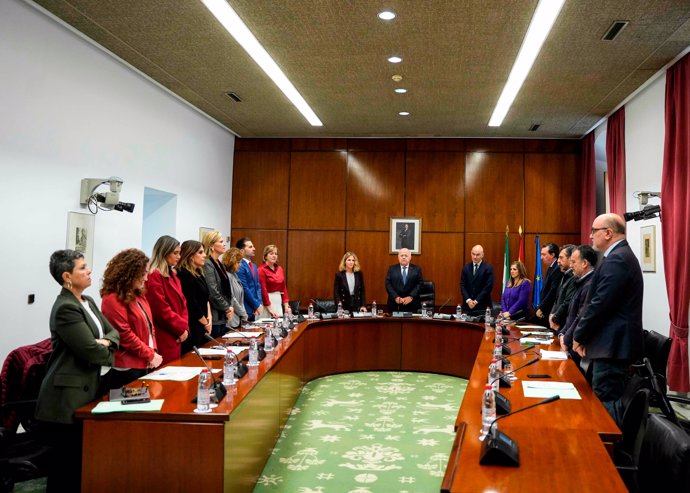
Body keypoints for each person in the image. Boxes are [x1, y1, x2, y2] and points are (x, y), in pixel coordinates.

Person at [36, 250, 120, 492]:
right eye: (82, 268)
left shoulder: (89, 301)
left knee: (83, 463)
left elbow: (114, 333)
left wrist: (105, 342)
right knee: (66, 468)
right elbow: (90, 351)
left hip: (92, 386)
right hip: (67, 397)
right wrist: (104, 346)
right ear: (67, 276)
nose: (89, 270)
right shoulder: (65, 308)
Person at [573, 214, 644, 423]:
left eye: (594, 231)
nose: (590, 235)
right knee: (603, 399)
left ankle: (610, 452)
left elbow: (599, 305)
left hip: (613, 346)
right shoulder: (617, 256)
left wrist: (579, 335)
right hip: (610, 344)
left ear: (608, 233)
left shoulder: (618, 259)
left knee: (606, 402)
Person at [100, 248, 163, 389]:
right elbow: (123, 334)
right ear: (130, 273)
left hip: (143, 361)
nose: (146, 278)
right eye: (143, 274)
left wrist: (153, 352)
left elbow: (149, 325)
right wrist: (150, 354)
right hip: (125, 368)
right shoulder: (112, 297)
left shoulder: (138, 294)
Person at [145, 235, 189, 364]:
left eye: (179, 253)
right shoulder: (154, 275)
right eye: (175, 253)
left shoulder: (173, 275)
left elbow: (183, 303)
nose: (179, 257)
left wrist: (184, 327)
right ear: (164, 252)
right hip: (165, 333)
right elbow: (160, 309)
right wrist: (180, 328)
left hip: (177, 332)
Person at [559, 245, 597, 367]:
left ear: (585, 263)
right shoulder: (580, 281)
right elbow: (571, 313)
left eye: (574, 262)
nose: (571, 266)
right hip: (570, 341)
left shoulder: (590, 284)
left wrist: (566, 339)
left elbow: (580, 316)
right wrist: (562, 333)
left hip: (578, 346)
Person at [177, 240, 213, 353]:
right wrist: (205, 322)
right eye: (201, 252)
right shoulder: (184, 274)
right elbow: (191, 303)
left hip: (203, 323)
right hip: (193, 325)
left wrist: (209, 319)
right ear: (191, 256)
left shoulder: (198, 273)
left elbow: (206, 298)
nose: (205, 255)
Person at [202, 231, 234, 338]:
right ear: (211, 245)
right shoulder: (207, 263)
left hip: (223, 315)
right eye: (221, 241)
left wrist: (229, 306)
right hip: (215, 315)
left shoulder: (219, 263)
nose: (224, 244)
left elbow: (227, 288)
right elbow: (213, 292)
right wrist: (227, 308)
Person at [531, 242, 563, 326]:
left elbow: (553, 291)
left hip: (549, 311)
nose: (541, 258)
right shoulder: (551, 267)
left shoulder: (557, 269)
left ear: (552, 255)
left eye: (544, 254)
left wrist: (542, 308)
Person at [385, 248, 424, 313]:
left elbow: (420, 284)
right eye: (401, 255)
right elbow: (388, 284)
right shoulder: (392, 269)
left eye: (406, 255)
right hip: (395, 305)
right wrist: (396, 297)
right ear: (398, 257)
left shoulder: (416, 269)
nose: (403, 257)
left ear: (410, 257)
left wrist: (411, 297)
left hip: (412, 305)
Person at [258, 244, 291, 318]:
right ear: (265, 256)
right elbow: (263, 289)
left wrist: (286, 305)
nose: (274, 256)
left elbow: (284, 288)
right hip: (267, 301)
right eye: (271, 253)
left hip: (278, 299)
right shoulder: (261, 270)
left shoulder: (279, 269)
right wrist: (269, 307)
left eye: (276, 254)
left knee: (279, 325)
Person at [460, 244, 494, 315]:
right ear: (471, 253)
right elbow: (462, 285)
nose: (475, 257)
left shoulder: (488, 268)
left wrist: (476, 301)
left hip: (482, 307)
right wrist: (468, 300)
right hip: (467, 307)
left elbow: (488, 287)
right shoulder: (466, 268)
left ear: (482, 255)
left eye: (477, 255)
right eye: (473, 254)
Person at [235, 237, 264, 321]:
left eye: (253, 246)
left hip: (255, 308)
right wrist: (255, 304)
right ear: (242, 250)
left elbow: (258, 286)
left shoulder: (254, 266)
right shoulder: (240, 266)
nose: (254, 249)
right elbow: (244, 288)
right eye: (250, 247)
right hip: (246, 307)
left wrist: (258, 303)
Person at [549, 245, 576, 330]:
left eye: (561, 258)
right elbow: (557, 299)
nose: (558, 261)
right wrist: (551, 315)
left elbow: (567, 302)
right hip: (556, 323)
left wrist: (555, 318)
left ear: (570, 259)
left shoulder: (573, 277)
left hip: (564, 324)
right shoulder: (564, 275)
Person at [221, 247, 249, 328]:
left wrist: (243, 314)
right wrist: (243, 314)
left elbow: (240, 297)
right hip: (231, 320)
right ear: (231, 262)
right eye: (238, 262)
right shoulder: (227, 276)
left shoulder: (234, 274)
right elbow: (232, 298)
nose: (240, 265)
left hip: (238, 318)